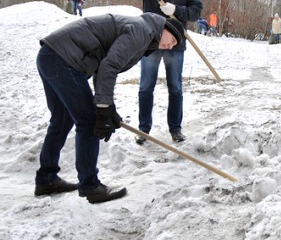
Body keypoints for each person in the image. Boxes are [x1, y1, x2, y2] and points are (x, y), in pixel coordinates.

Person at [35, 12, 185, 203]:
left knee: (62, 119)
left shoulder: (143, 33)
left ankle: (46, 179)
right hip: (63, 59)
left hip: (50, 55)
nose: (170, 46)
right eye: (172, 40)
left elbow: (101, 67)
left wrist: (106, 107)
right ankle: (90, 186)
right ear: (164, 29)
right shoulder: (142, 31)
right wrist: (103, 108)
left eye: (174, 45)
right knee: (89, 122)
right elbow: (109, 66)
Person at [121, 0, 203, 144]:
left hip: (175, 44)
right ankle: (144, 129)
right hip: (151, 42)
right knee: (145, 87)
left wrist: (176, 9)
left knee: (175, 87)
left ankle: (175, 128)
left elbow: (195, 12)